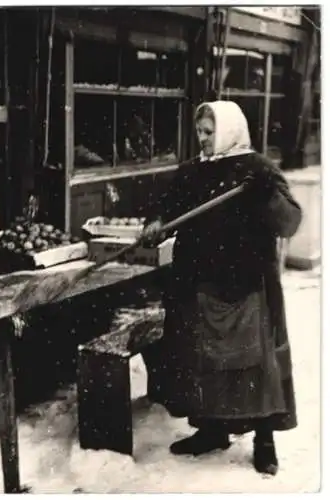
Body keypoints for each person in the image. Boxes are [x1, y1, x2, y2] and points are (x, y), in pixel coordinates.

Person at [141, 100, 302, 476]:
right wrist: (155, 223)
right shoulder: (191, 172)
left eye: (210, 132)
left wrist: (267, 194)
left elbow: (290, 221)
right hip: (199, 281)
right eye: (200, 131)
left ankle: (265, 439)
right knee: (204, 361)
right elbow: (165, 207)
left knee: (254, 365)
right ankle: (211, 430)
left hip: (246, 284)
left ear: (229, 129)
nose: (203, 139)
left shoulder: (258, 170)